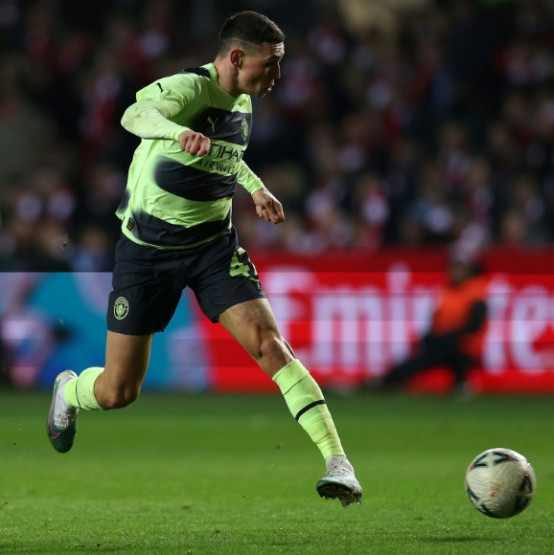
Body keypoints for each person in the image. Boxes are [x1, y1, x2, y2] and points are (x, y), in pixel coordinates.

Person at [46, 11, 362, 507]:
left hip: (213, 246)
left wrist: (256, 189)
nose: (277, 77)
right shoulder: (187, 89)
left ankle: (337, 461)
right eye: (270, 65)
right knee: (117, 392)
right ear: (236, 57)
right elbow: (135, 115)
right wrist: (175, 134)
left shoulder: (243, 98)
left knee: (269, 344)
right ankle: (69, 391)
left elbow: (226, 155)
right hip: (148, 252)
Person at [377, 257, 488, 396]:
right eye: (453, 269)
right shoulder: (447, 291)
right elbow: (437, 319)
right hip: (445, 343)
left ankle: (387, 381)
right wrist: (431, 337)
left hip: (463, 346)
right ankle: (389, 380)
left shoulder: (475, 292)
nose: (454, 273)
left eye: (460, 270)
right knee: (423, 358)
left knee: (433, 358)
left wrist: (445, 337)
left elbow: (474, 326)